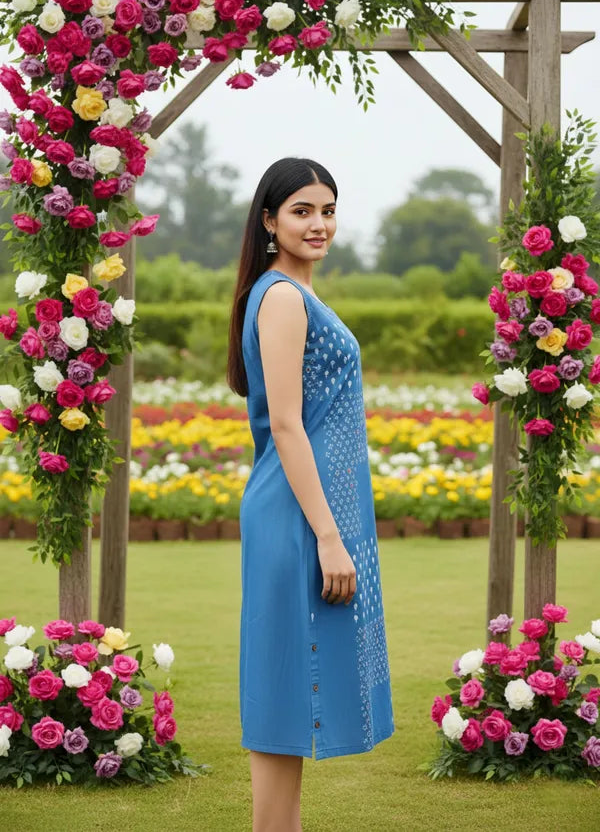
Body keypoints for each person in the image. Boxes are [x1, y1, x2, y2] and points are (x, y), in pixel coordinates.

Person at [227, 157, 394, 832]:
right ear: (269, 221)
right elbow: (288, 424)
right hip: (297, 518)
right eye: (301, 211)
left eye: (327, 209)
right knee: (280, 699)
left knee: (294, 699)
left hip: (302, 512)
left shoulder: (287, 293)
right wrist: (329, 535)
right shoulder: (285, 298)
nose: (318, 223)